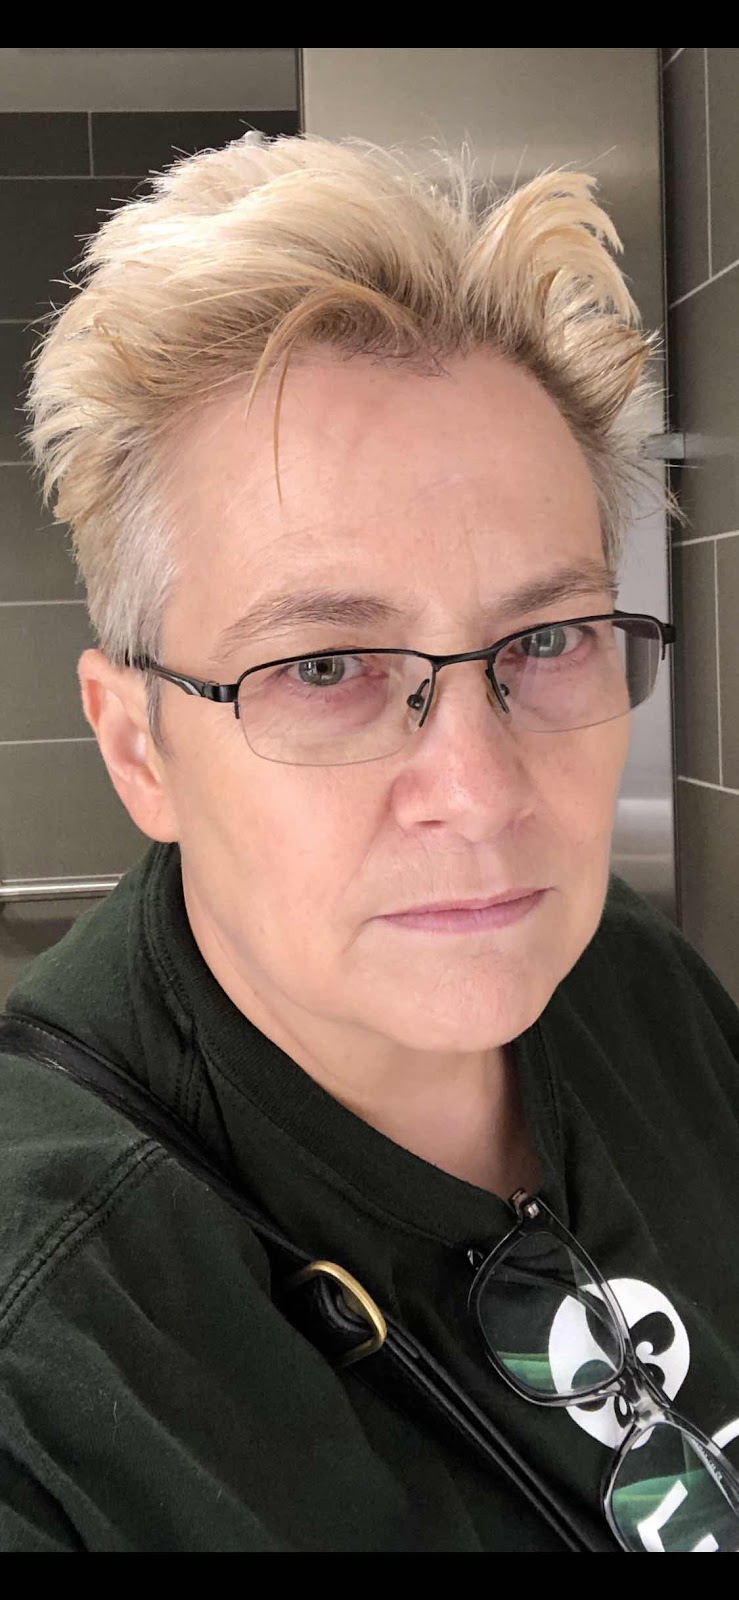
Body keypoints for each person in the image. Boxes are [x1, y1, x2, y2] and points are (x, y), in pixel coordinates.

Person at [1, 133, 737, 1554]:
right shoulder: (58, 1363)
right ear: (138, 745)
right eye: (325, 667)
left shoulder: (629, 978)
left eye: (549, 638)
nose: (480, 792)